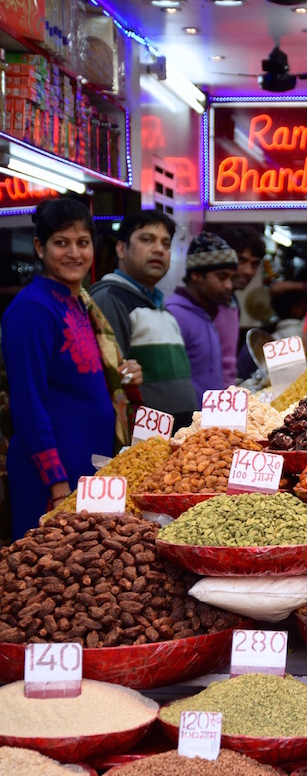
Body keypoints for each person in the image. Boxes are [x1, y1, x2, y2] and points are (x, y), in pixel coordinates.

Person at [1, 197, 142, 539]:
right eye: (61, 243)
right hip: (51, 479)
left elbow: (81, 382)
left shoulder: (80, 303)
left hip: (88, 472)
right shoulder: (33, 310)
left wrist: (123, 375)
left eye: (82, 243)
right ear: (40, 246)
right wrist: (57, 483)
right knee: (43, 578)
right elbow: (28, 404)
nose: (73, 254)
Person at [90, 210, 197, 428]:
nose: (159, 249)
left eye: (166, 244)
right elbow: (108, 382)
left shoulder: (160, 306)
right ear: (121, 248)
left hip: (174, 440)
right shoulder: (110, 298)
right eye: (147, 240)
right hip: (142, 444)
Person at [164, 232, 238, 406]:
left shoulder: (205, 312)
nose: (229, 285)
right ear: (196, 275)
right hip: (188, 425)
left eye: (230, 278)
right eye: (222, 277)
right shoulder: (174, 315)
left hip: (210, 424)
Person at [213, 226, 268, 382]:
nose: (248, 271)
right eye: (241, 260)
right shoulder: (204, 305)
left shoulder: (233, 303)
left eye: (254, 264)